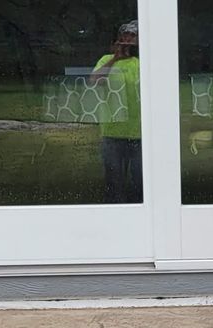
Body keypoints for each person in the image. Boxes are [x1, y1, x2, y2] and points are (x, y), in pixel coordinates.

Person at [90, 21, 143, 203]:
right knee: (114, 186)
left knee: (141, 186)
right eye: (125, 36)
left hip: (140, 134)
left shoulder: (143, 63)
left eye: (133, 36)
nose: (128, 39)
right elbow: (94, 82)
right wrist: (115, 59)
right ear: (119, 39)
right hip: (112, 133)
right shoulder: (106, 60)